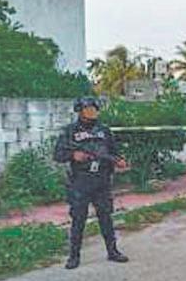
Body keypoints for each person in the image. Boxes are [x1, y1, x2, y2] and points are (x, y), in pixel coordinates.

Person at [54, 97, 130, 269]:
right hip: (80, 181)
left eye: (94, 108)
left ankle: (112, 251)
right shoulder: (70, 131)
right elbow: (58, 154)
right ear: (80, 111)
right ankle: (74, 256)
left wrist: (119, 161)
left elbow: (114, 151)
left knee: (106, 217)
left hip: (101, 179)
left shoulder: (104, 130)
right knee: (78, 219)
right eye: (88, 108)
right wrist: (73, 155)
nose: (92, 112)